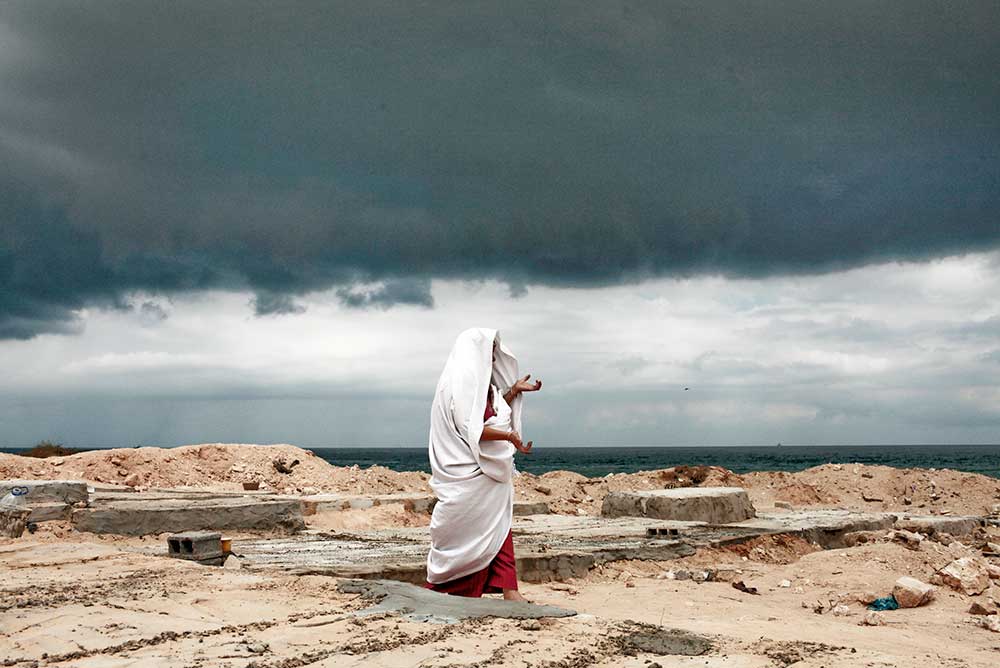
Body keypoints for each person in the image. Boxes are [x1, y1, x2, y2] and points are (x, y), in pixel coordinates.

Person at [425, 328, 542, 600]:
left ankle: (510, 591)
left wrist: (513, 391)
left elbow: (490, 412)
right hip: (465, 478)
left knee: (500, 527)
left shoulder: (484, 388)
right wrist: (509, 436)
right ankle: (449, 590)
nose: (491, 361)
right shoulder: (457, 387)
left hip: (489, 479)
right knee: (464, 533)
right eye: (488, 354)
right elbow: (472, 429)